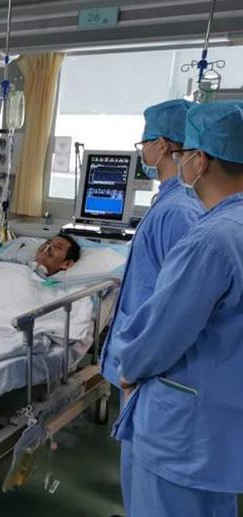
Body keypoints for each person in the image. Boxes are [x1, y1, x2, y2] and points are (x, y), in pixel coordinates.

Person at [114, 101, 243, 517]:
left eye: (186, 152)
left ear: (199, 160)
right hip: (220, 423)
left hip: (183, 430)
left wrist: (128, 367)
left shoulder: (209, 239)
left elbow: (165, 331)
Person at [99, 99, 202, 515]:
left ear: (161, 146)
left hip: (149, 370)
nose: (142, 151)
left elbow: (175, 308)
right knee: (138, 477)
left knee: (147, 479)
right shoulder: (171, 203)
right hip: (144, 364)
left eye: (144, 142)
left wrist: (135, 365)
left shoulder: (178, 212)